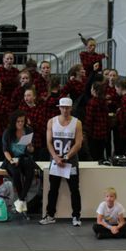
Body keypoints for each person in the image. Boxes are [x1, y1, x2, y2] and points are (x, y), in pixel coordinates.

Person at [41, 97, 83, 227]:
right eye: (63, 107)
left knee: (74, 189)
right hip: (56, 161)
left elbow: (78, 143)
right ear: (59, 107)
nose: (65, 110)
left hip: (71, 161)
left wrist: (67, 156)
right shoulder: (52, 122)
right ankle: (50, 215)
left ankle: (76, 215)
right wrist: (55, 157)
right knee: (53, 189)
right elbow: (48, 142)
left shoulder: (77, 123)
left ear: (71, 108)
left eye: (67, 108)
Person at [1, 110, 36, 213]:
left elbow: (31, 150)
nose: (20, 123)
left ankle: (21, 200)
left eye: (22, 121)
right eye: (18, 121)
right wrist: (11, 160)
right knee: (16, 173)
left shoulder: (28, 130)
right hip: (11, 158)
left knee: (30, 172)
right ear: (14, 122)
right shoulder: (8, 132)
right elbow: (5, 150)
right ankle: (22, 200)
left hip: (23, 157)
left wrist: (29, 146)